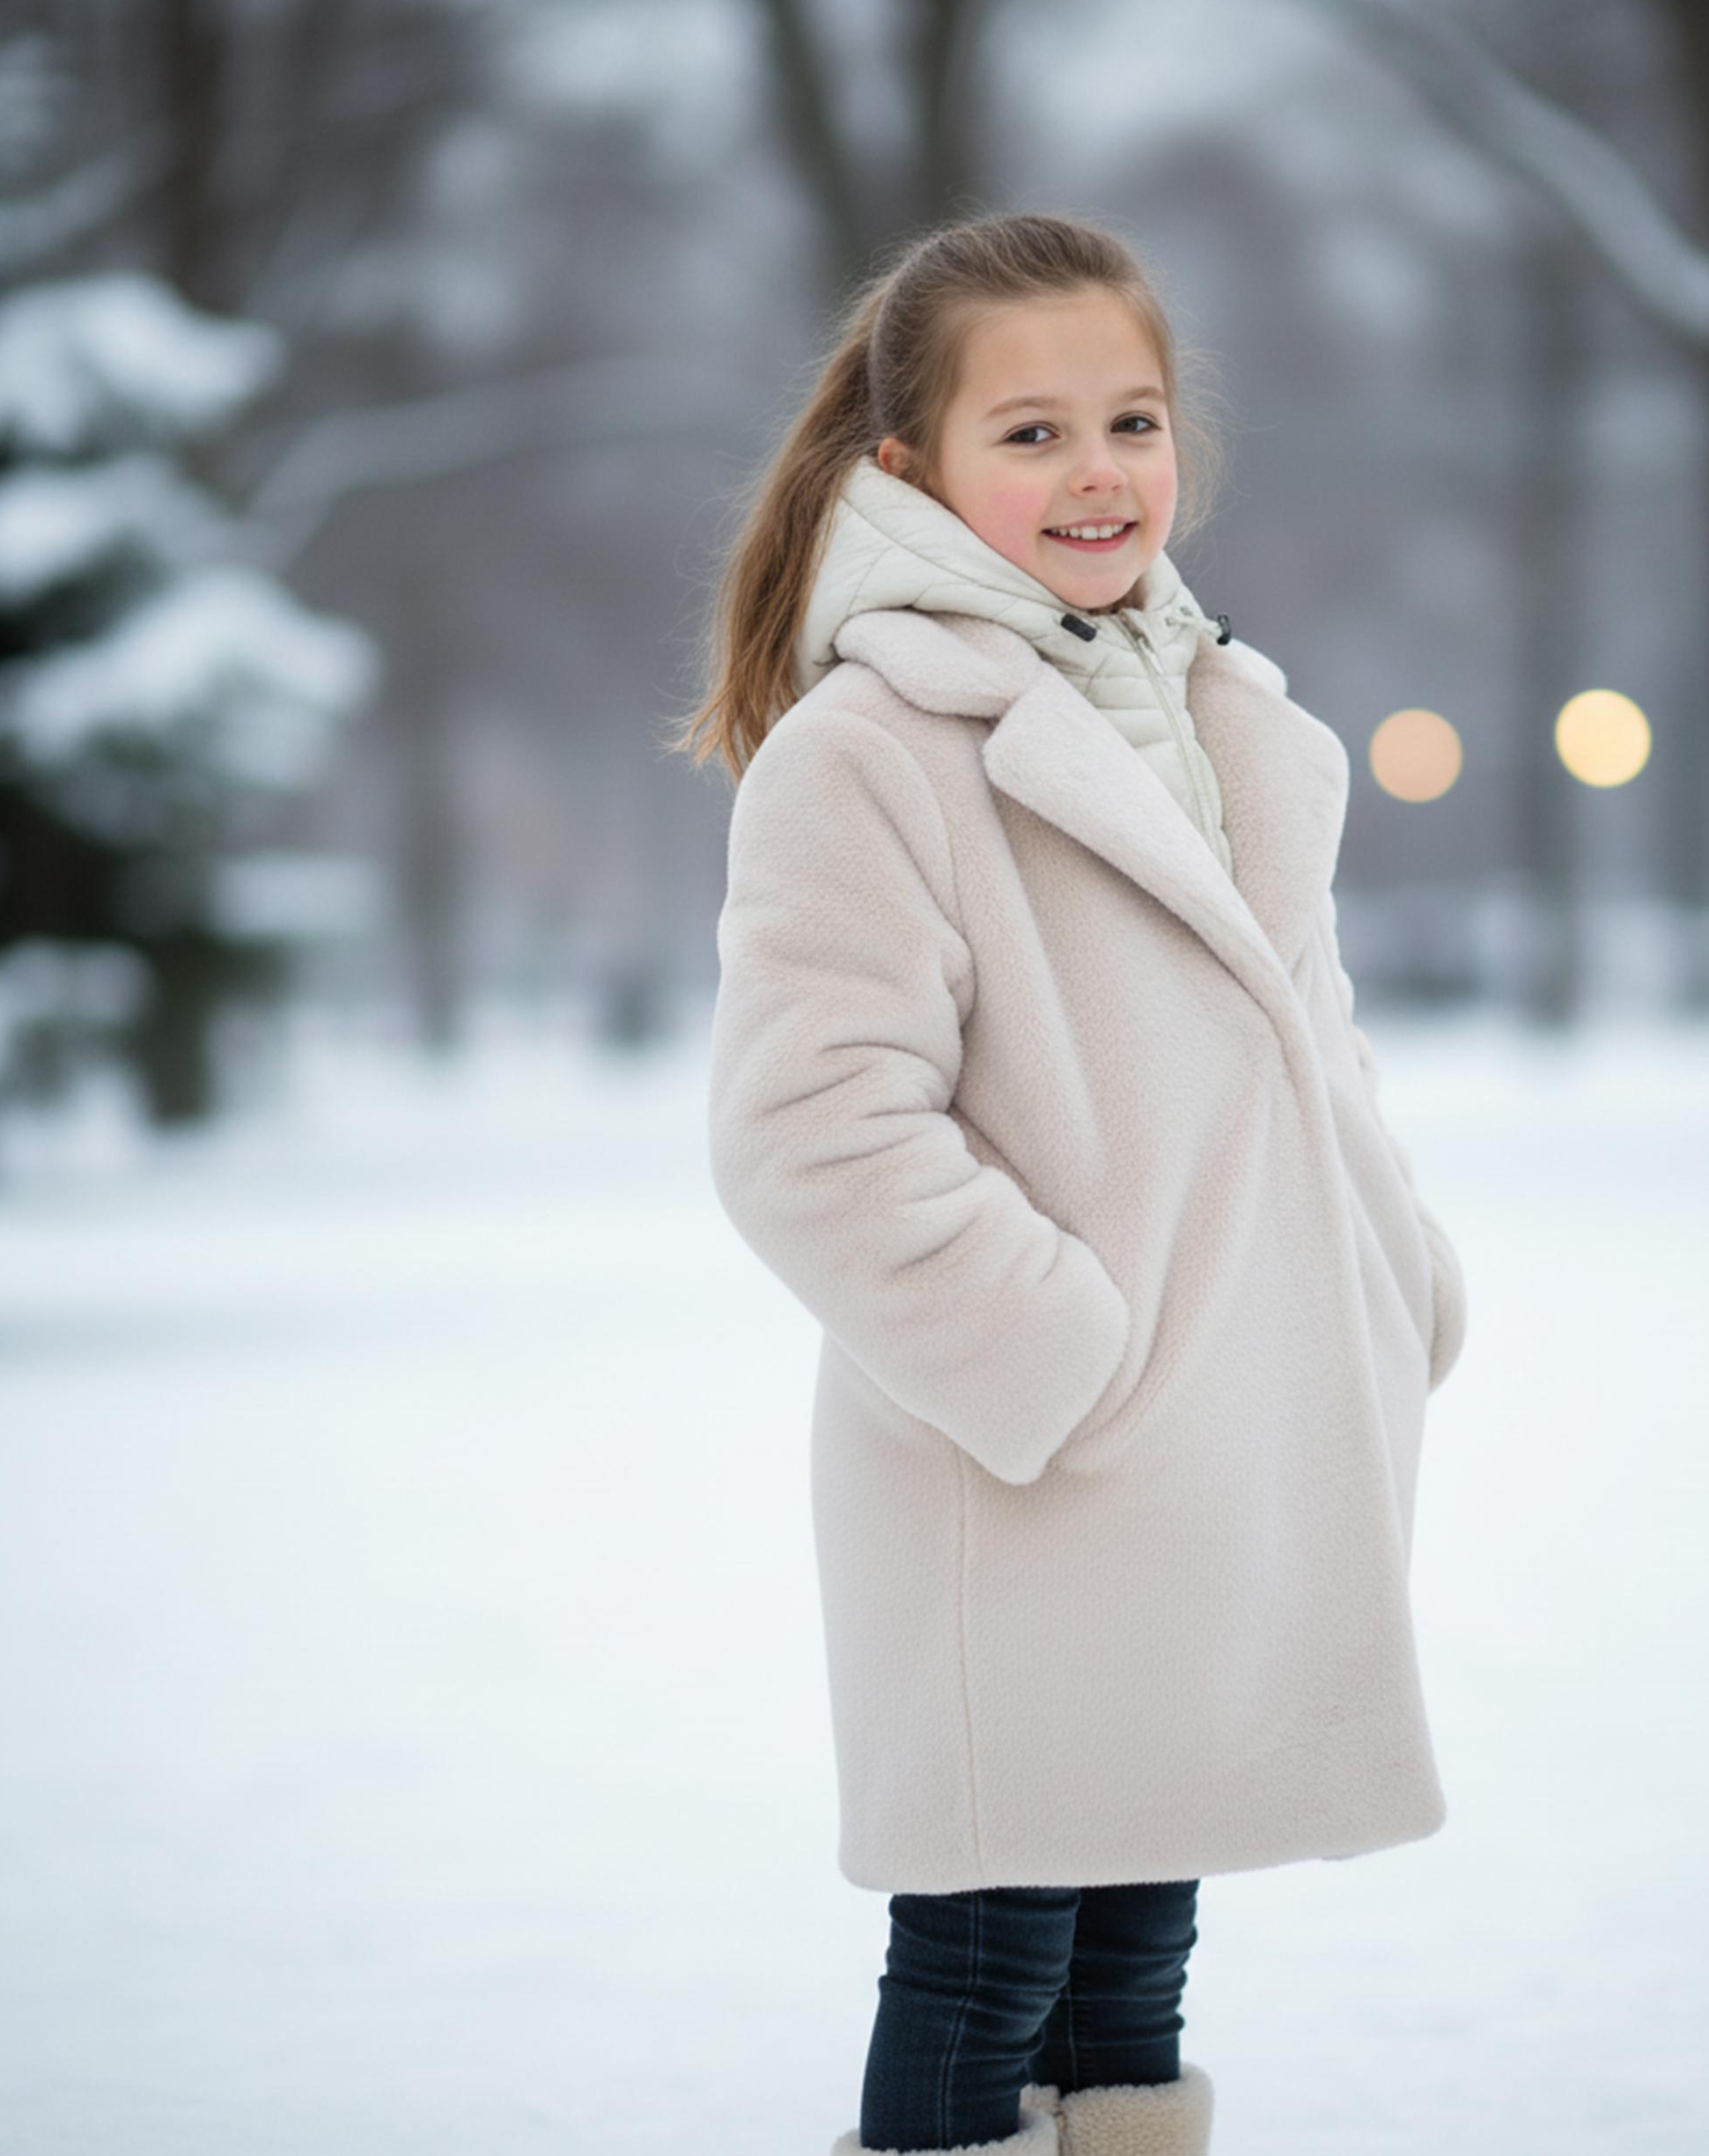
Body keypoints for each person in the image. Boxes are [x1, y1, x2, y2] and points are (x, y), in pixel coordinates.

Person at [674, 210, 1469, 2156]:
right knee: (982, 1956)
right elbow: (811, 1133)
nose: (1094, 471)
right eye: (1025, 434)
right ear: (906, 468)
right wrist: (1064, 1359)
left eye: (1128, 418)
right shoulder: (869, 750)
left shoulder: (1212, 718)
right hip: (1026, 1468)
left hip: (1219, 1446)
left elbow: (1307, 1042)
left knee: (1137, 1944)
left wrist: (1395, 1267)